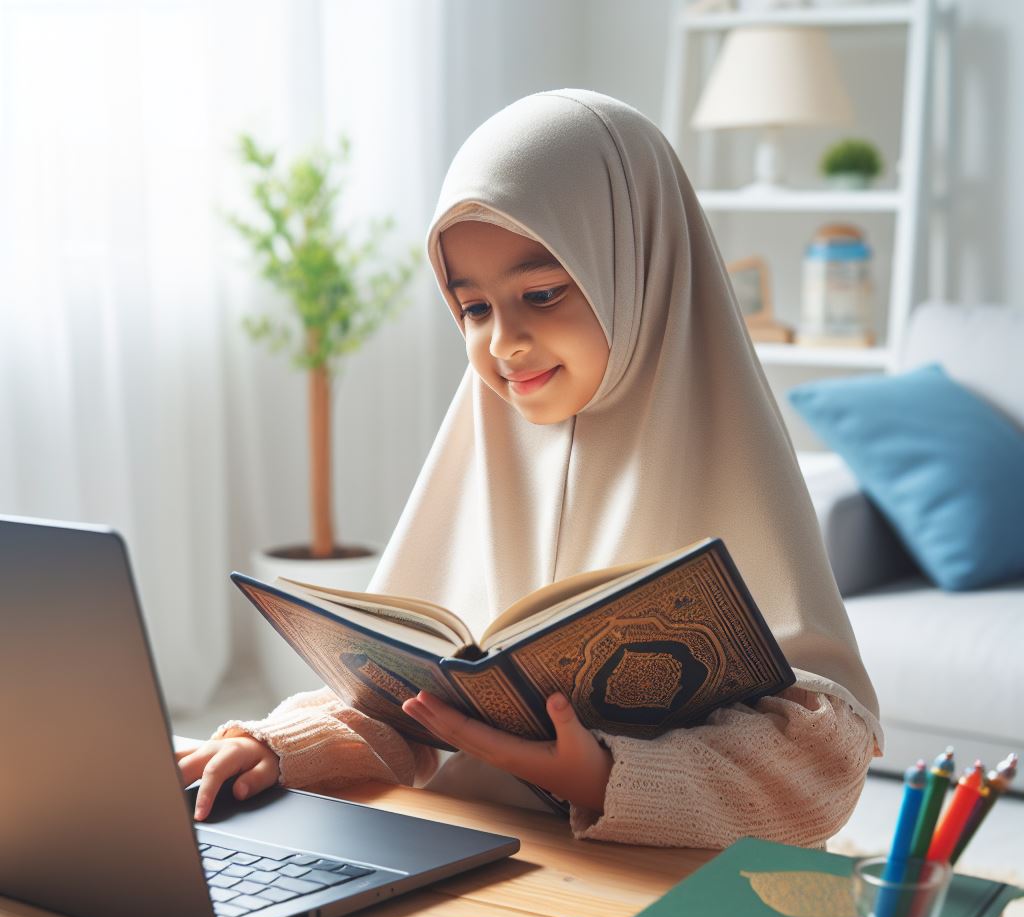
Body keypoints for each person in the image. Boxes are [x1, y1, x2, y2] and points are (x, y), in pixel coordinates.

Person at [177, 89, 882, 848]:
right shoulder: (482, 439)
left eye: (541, 294)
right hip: (467, 861)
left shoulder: (729, 458)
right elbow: (395, 713)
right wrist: (274, 748)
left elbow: (821, 761)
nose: (504, 343)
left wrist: (601, 776)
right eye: (473, 308)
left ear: (636, 270)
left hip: (650, 895)